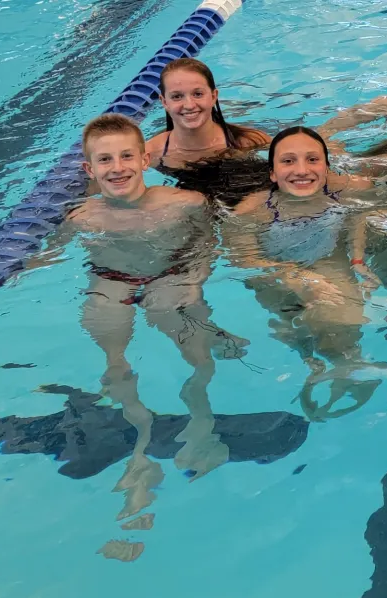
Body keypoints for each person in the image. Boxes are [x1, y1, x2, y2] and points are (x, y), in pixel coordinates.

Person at [40, 114, 249, 552]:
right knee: (112, 353)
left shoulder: (186, 203)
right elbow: (47, 256)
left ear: (145, 158)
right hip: (110, 279)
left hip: (171, 277)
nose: (117, 167)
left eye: (125, 156)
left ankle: (202, 426)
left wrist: (195, 278)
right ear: (88, 170)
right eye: (105, 160)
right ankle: (138, 458)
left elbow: (210, 245)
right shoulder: (80, 215)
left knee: (187, 342)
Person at [225, 127, 387, 420]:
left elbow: (359, 217)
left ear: (326, 166)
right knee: (291, 323)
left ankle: (345, 361)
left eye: (312, 160)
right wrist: (293, 277)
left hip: (329, 262)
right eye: (288, 161)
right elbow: (244, 260)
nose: (302, 170)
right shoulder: (252, 211)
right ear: (272, 173)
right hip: (275, 273)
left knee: (343, 321)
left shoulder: (352, 190)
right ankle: (309, 359)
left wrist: (358, 260)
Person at [144, 58, 273, 206]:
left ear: (213, 96)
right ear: (164, 102)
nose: (189, 105)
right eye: (177, 96)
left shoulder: (247, 141)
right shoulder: (151, 153)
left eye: (198, 94)